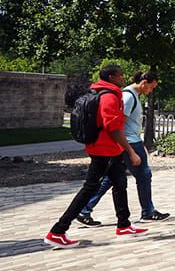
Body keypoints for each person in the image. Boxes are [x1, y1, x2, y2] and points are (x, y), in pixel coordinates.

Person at [44, 65, 147, 249]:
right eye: (121, 75)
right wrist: (131, 152)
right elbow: (113, 128)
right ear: (112, 77)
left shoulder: (105, 93)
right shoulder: (108, 97)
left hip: (110, 150)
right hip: (104, 150)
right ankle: (58, 231)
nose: (124, 78)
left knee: (120, 183)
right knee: (89, 188)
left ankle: (123, 224)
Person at [77, 70, 170, 226]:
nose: (151, 91)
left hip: (130, 142)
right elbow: (119, 124)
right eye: (151, 87)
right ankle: (147, 211)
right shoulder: (128, 97)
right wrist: (131, 150)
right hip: (129, 142)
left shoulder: (132, 95)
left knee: (111, 179)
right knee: (144, 175)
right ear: (144, 82)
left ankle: (84, 210)